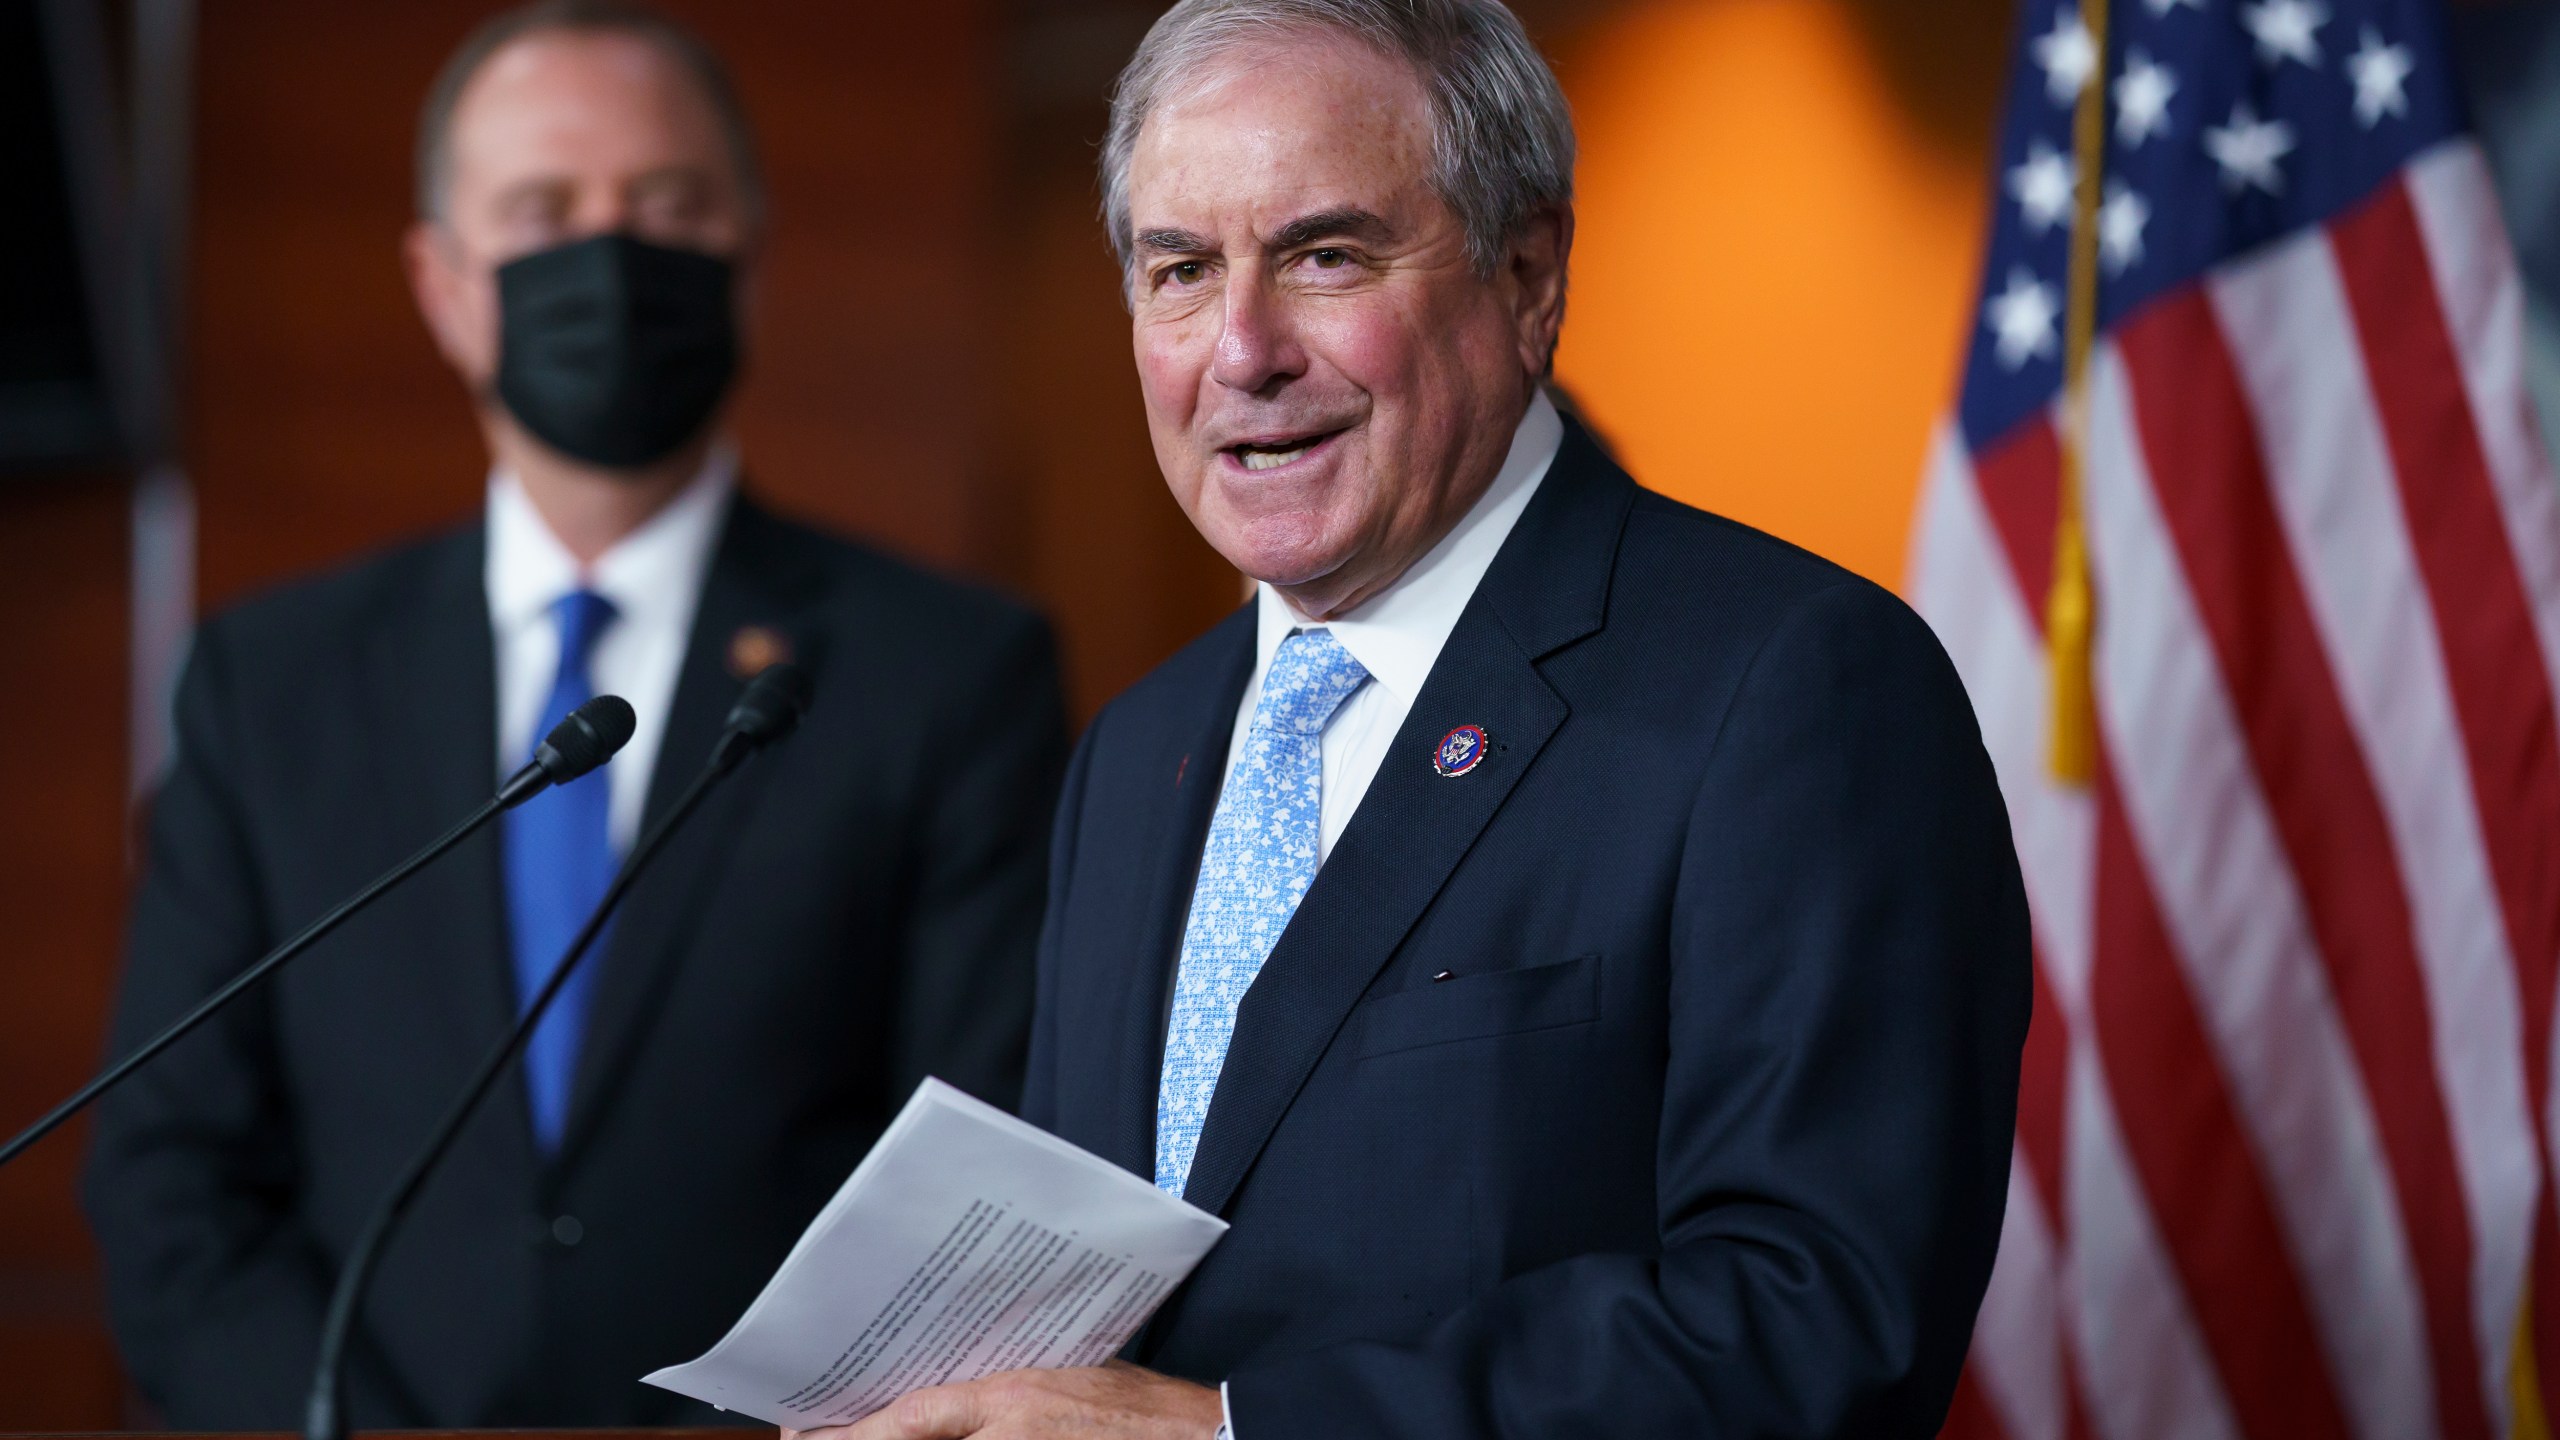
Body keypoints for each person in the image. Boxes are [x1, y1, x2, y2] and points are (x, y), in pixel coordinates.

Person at [790, 1, 2032, 1436]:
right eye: (1181, 271)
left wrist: (1225, 1433)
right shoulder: (1137, 750)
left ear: (1527, 276)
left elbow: (1818, 1322)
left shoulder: (1797, 690)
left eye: (1325, 256)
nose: (1241, 350)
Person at [84, 2, 1067, 1426]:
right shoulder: (269, 681)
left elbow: (979, 1173)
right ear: (441, 284)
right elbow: (169, 1175)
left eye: (666, 206)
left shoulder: (954, 675)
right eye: (543, 209)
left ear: (750, 259)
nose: (607, 256)